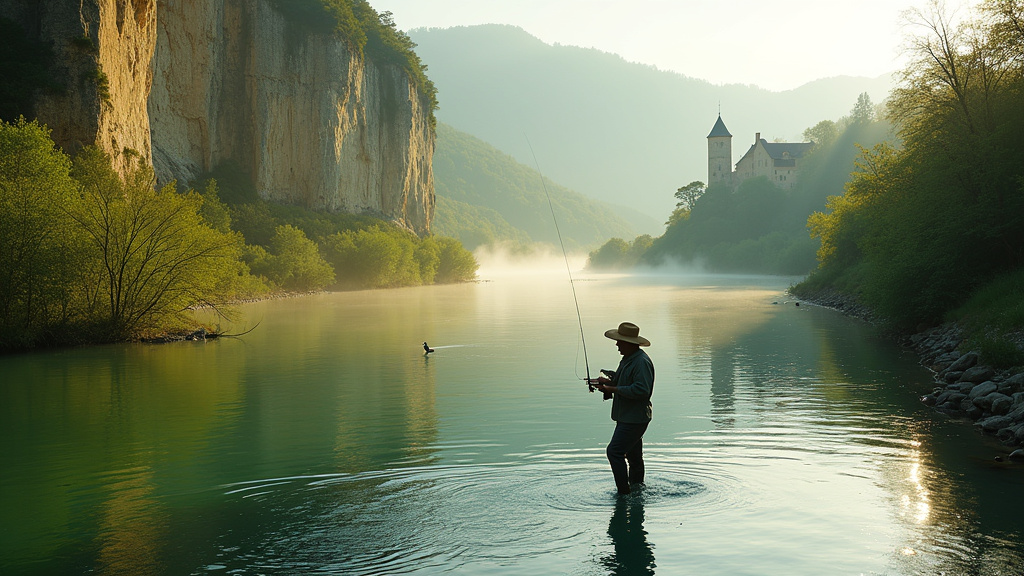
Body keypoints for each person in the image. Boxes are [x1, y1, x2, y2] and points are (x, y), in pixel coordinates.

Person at [591, 322, 655, 495]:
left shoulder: (641, 362)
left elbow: (641, 390)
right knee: (633, 457)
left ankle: (624, 493)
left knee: (614, 452)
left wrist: (612, 389)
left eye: (620, 341)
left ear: (629, 343)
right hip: (629, 416)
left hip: (634, 419)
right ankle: (637, 489)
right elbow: (627, 382)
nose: (617, 344)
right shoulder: (629, 359)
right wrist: (607, 382)